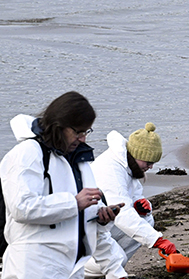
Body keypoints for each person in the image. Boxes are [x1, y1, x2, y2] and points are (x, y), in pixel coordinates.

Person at [0, 92, 127, 279]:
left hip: (72, 267)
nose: (83, 138)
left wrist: (100, 217)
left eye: (87, 131)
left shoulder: (78, 160)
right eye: (78, 131)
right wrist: (74, 203)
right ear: (59, 125)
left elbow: (81, 215)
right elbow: (21, 207)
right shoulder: (26, 153)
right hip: (32, 267)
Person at [83, 123, 178, 278]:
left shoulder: (128, 164)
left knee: (146, 219)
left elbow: (134, 194)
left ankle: (114, 270)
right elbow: (123, 214)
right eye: (148, 163)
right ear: (137, 155)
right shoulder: (111, 169)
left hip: (100, 224)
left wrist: (140, 204)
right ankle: (85, 271)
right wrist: (158, 241)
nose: (151, 167)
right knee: (117, 256)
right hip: (83, 232)